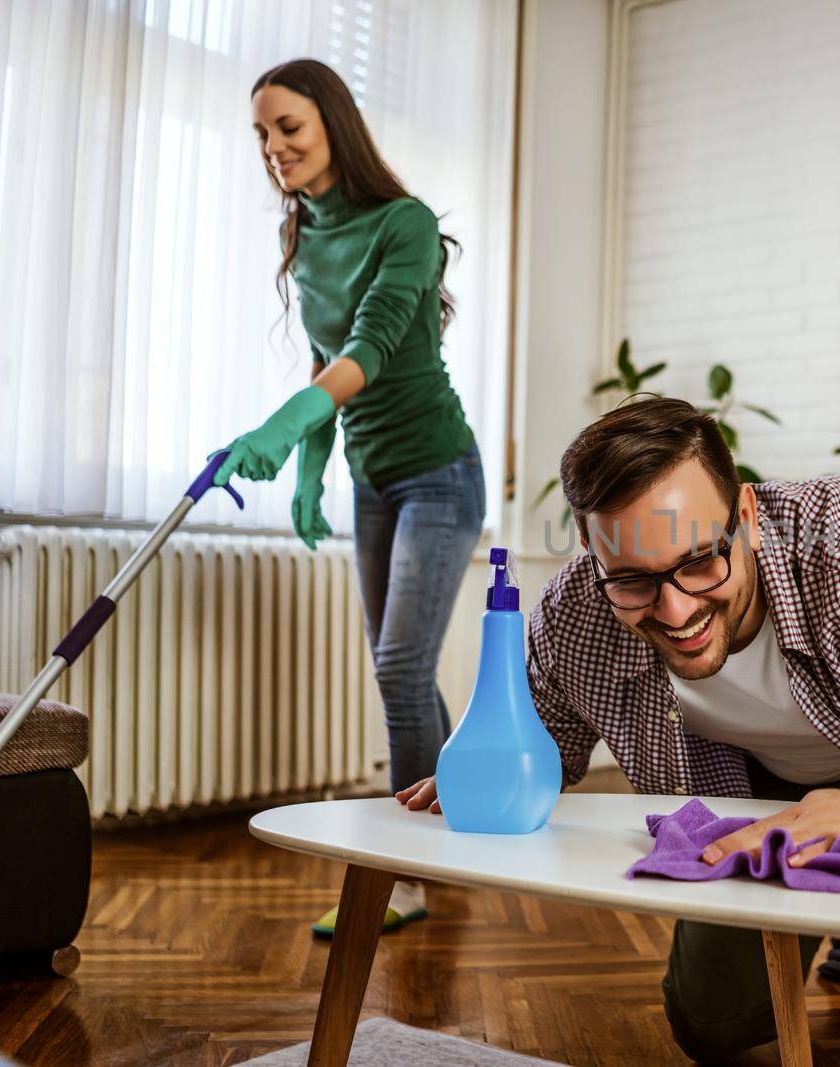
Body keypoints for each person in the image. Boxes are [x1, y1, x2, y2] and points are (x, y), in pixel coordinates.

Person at [398, 397, 840, 1065]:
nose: (676, 611)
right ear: (593, 553)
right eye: (633, 580)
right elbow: (545, 741)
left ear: (745, 513)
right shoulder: (577, 615)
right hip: (756, 797)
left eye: (699, 561)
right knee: (710, 1025)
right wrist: (482, 768)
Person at [222, 58, 483, 937]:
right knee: (404, 671)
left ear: (333, 123)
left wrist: (290, 418)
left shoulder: (402, 223)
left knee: (398, 668)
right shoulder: (304, 238)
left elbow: (370, 345)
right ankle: (459, 808)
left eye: (288, 127)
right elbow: (326, 361)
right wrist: (311, 467)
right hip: (372, 479)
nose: (274, 148)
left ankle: (404, 873)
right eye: (262, 133)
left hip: (440, 473)